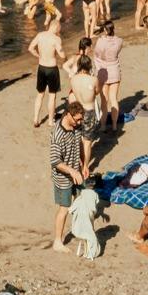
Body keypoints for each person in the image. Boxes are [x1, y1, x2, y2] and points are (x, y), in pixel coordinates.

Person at [49, 102, 86, 251]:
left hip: (76, 172)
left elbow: (80, 144)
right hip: (63, 178)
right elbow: (55, 161)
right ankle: (58, 241)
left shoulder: (77, 126)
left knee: (80, 203)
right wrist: (72, 171)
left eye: (80, 119)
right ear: (68, 115)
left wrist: (84, 164)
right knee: (64, 208)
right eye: (77, 119)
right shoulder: (58, 133)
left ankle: (78, 230)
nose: (79, 122)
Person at [29, 20, 65, 127]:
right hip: (52, 68)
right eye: (59, 29)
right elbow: (62, 55)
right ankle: (50, 121)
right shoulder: (56, 39)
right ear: (55, 27)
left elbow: (30, 48)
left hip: (41, 67)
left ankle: (36, 119)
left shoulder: (40, 35)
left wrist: (38, 56)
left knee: (40, 94)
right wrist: (65, 56)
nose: (59, 31)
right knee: (52, 95)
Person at [93, 18, 125, 130]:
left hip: (103, 71)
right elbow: (118, 48)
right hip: (114, 70)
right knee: (114, 99)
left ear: (105, 30)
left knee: (104, 101)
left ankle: (103, 126)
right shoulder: (119, 41)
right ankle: (115, 125)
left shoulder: (101, 41)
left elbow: (97, 54)